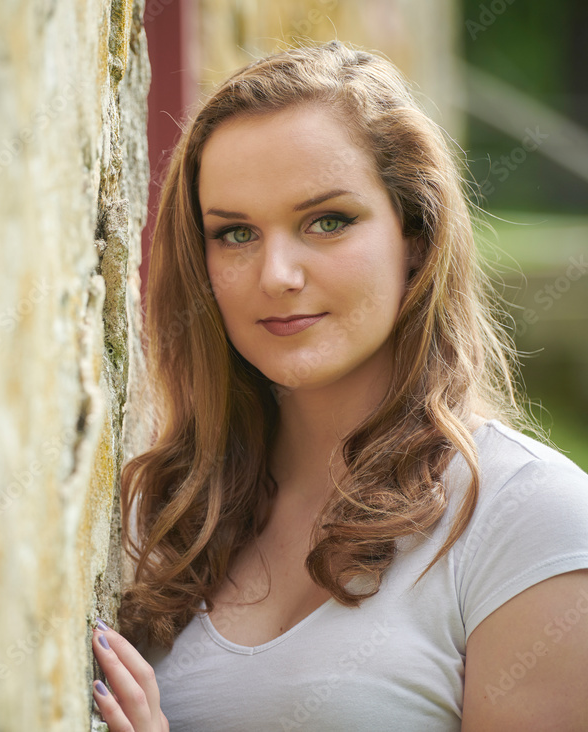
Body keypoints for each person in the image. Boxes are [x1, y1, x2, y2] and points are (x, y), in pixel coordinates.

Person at [89, 41, 588, 731]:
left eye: (327, 221)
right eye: (235, 234)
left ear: (416, 235)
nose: (278, 275)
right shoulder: (157, 516)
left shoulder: (529, 520)